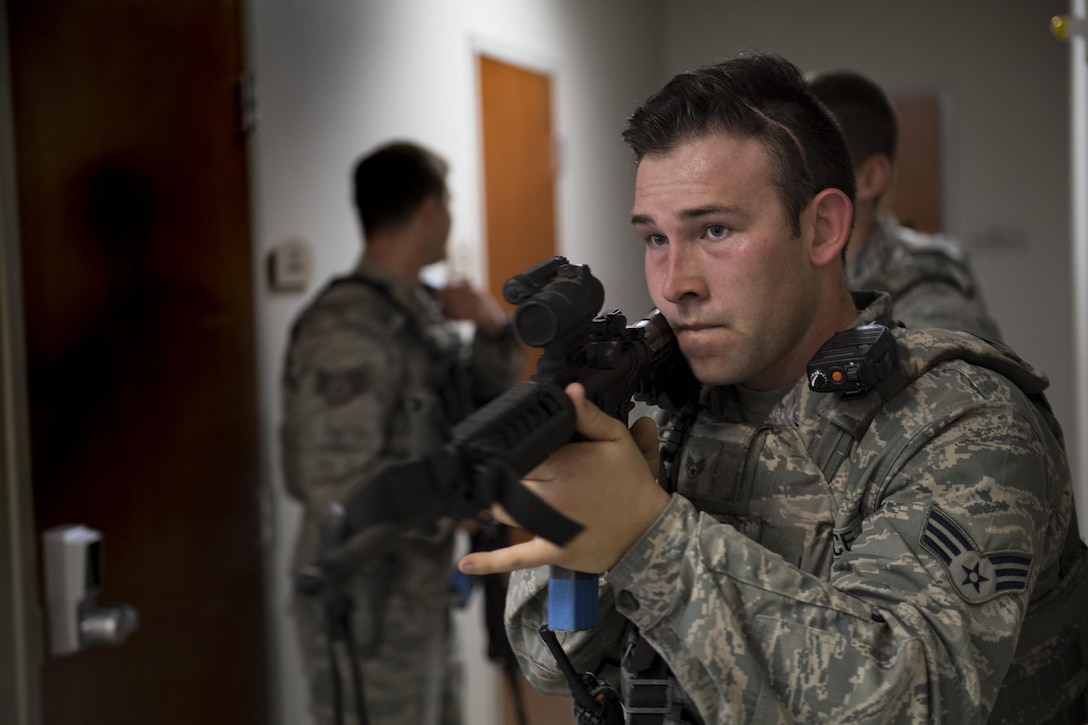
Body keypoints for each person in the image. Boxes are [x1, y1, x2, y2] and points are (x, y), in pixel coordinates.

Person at [458, 54, 1087, 723]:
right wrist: (584, 548)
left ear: (821, 228)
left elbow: (905, 702)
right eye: (655, 239)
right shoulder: (675, 419)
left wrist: (647, 538)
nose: (676, 282)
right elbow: (550, 656)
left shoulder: (964, 422)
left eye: (715, 231)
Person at [280, 141, 524, 725]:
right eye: (449, 201)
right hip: (364, 602)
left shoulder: (418, 310)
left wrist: (491, 326)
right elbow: (336, 484)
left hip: (416, 589)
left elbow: (477, 400)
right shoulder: (347, 327)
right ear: (427, 210)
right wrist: (454, 508)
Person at [807, 69, 1003, 340]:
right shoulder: (800, 275)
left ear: (871, 178)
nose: (790, 183)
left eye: (809, 165)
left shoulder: (929, 293)